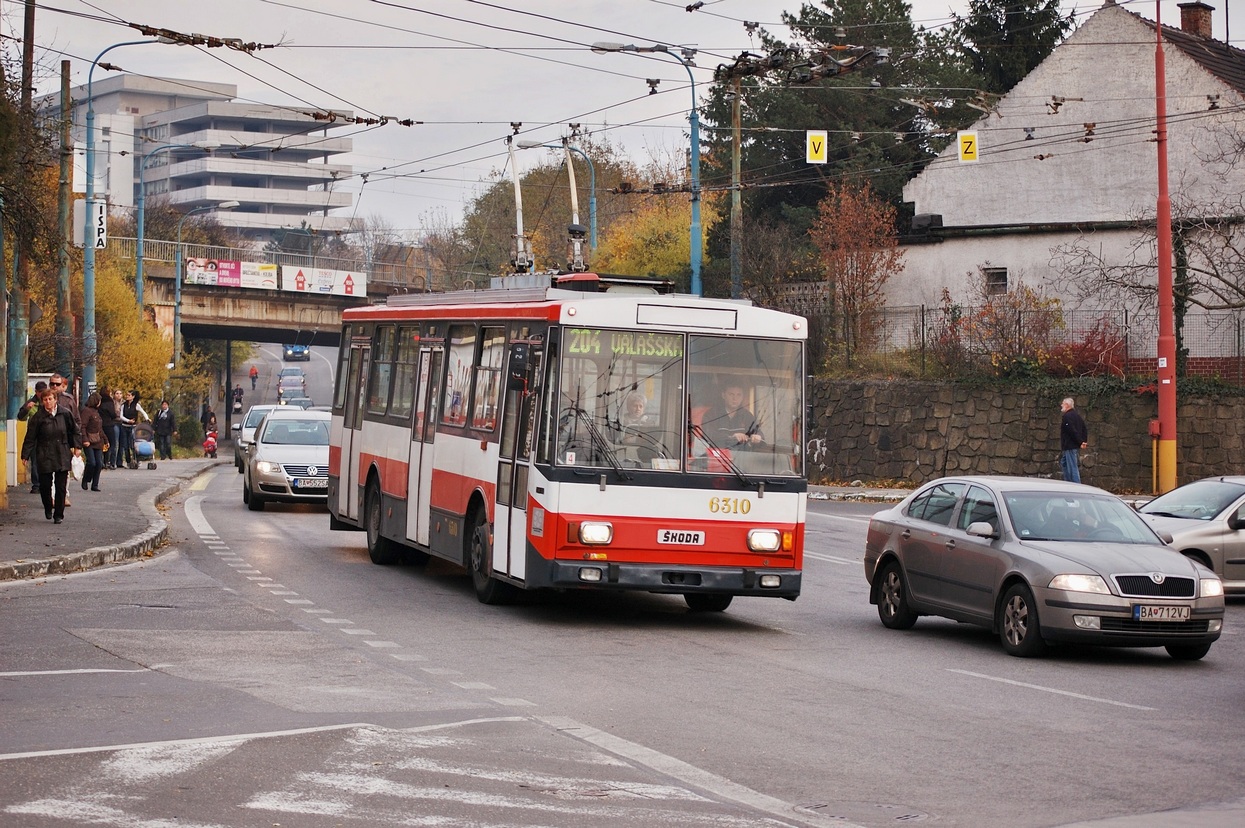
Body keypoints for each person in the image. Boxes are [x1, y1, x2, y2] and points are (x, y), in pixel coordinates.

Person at [21, 386, 80, 524]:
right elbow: (30, 437)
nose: (48, 402)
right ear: (42, 402)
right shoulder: (38, 417)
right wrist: (25, 455)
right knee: (45, 485)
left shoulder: (65, 414)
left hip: (62, 452)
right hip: (44, 452)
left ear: (55, 400)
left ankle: (59, 514)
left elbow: (75, 430)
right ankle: (48, 506)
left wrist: (77, 447)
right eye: (45, 400)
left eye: (50, 399)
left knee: (61, 486)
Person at [702, 383, 765, 449]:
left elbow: (758, 432)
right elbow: (708, 435)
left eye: (739, 395)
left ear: (742, 397)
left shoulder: (747, 415)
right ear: (723, 395)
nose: (735, 398)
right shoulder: (712, 414)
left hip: (742, 456)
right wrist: (731, 437)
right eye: (731, 394)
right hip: (718, 456)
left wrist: (758, 436)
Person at [19, 381, 48, 492]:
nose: (43, 394)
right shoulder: (31, 403)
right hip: (35, 436)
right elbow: (20, 417)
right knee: (35, 461)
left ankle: (44, 483)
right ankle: (36, 485)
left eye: (44, 391)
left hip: (47, 436)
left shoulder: (48, 401)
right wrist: (27, 409)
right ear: (36, 392)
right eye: (41, 392)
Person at [79, 392, 106, 492]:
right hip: (89, 441)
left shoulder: (97, 412)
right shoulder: (86, 411)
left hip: (98, 441)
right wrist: (84, 439)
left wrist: (106, 440)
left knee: (99, 463)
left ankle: (95, 484)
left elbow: (100, 428)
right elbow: (82, 426)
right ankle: (86, 479)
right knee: (92, 462)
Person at [1059, 397, 1088, 484]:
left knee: (1072, 466)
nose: (1061, 405)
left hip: (1070, 445)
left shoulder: (1067, 416)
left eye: (1063, 403)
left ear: (1067, 405)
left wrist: (1080, 441)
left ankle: (1076, 485)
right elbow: (1084, 428)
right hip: (1070, 445)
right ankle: (1068, 482)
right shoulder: (1077, 415)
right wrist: (1083, 441)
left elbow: (1072, 430)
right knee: (1064, 463)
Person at [103, 389, 125, 470]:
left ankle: (120, 461)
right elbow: (113, 413)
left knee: (122, 443)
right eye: (117, 393)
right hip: (114, 422)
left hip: (123, 422)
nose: (119, 395)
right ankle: (112, 462)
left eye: (120, 393)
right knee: (115, 443)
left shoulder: (124, 403)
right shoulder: (112, 402)